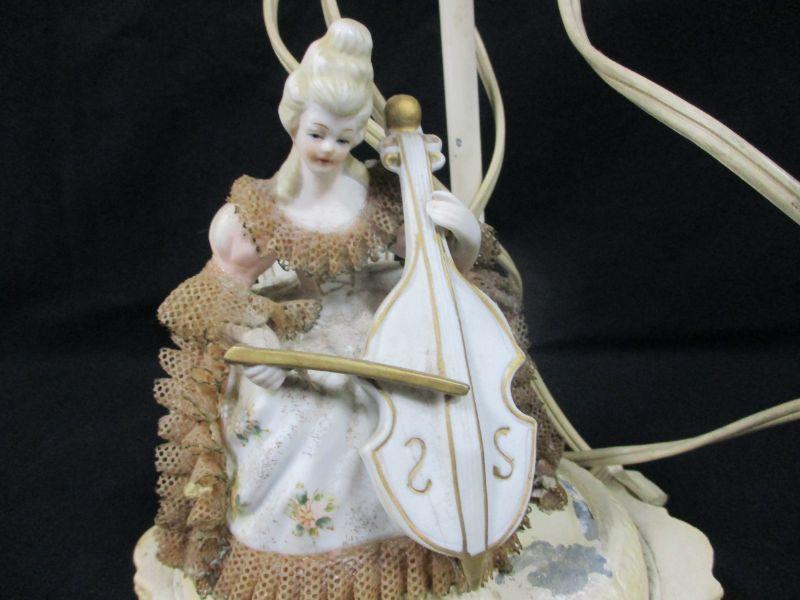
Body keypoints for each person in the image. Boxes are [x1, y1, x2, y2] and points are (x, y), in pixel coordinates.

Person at [150, 18, 565, 600]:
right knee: (307, 410)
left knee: (446, 368)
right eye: (318, 133)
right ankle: (308, 561)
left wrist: (465, 237)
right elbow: (219, 294)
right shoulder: (258, 212)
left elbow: (445, 273)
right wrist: (258, 344)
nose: (328, 150)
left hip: (383, 312)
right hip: (299, 326)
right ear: (294, 122)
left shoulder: (377, 194)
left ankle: (449, 528)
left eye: (344, 139)